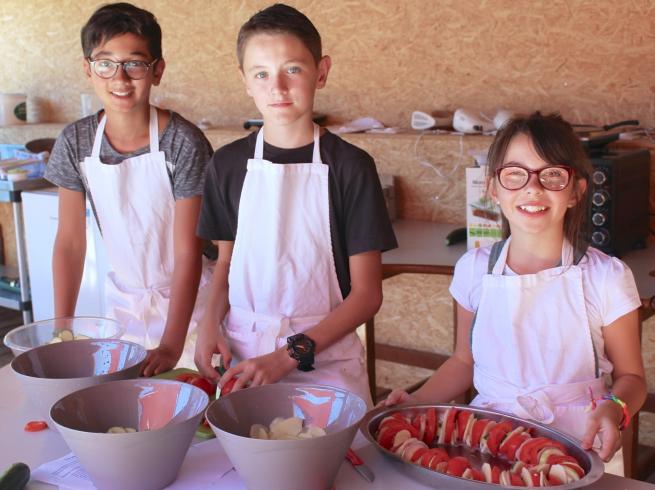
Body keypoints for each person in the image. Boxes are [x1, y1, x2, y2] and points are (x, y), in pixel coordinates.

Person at [383, 112, 646, 473]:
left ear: (576, 191)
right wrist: (415, 401)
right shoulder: (474, 270)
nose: (532, 188)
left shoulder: (606, 277)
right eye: (515, 174)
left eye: (552, 174)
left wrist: (615, 407)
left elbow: (632, 379)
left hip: (579, 446)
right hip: (491, 441)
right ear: (493, 188)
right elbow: (463, 361)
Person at [195, 3, 397, 407]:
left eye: (293, 69)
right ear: (245, 81)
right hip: (245, 360)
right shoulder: (227, 164)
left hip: (328, 368)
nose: (278, 87)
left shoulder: (350, 167)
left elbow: (367, 295)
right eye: (262, 74)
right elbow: (226, 266)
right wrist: (207, 323)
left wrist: (288, 356)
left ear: (321, 71)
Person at [45, 2, 214, 375]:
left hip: (192, 310)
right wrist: (62, 327)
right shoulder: (76, 141)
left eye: (135, 64)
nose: (120, 79)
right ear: (88, 69)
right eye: (106, 64)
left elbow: (188, 249)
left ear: (157, 71)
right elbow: (71, 243)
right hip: (124, 306)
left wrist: (171, 344)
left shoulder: (183, 142)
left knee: (193, 410)